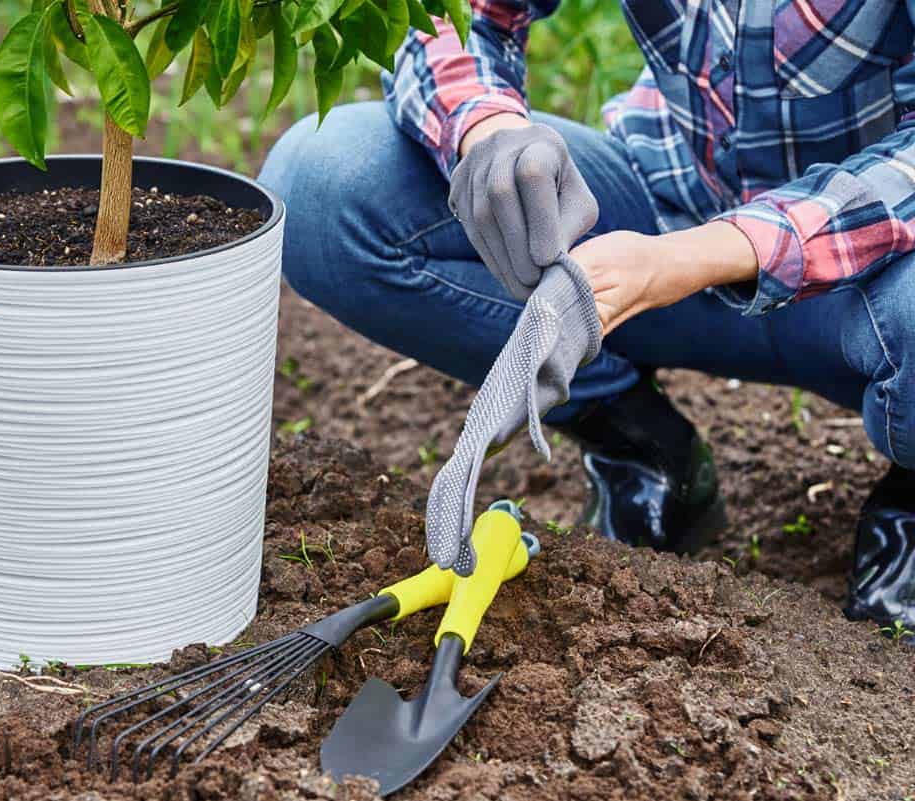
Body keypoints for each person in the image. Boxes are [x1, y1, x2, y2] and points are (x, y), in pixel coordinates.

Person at [259, 1, 915, 634]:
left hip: (877, 288)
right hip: (668, 203)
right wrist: (491, 136)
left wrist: (689, 259)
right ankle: (647, 450)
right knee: (326, 181)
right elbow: (460, 12)